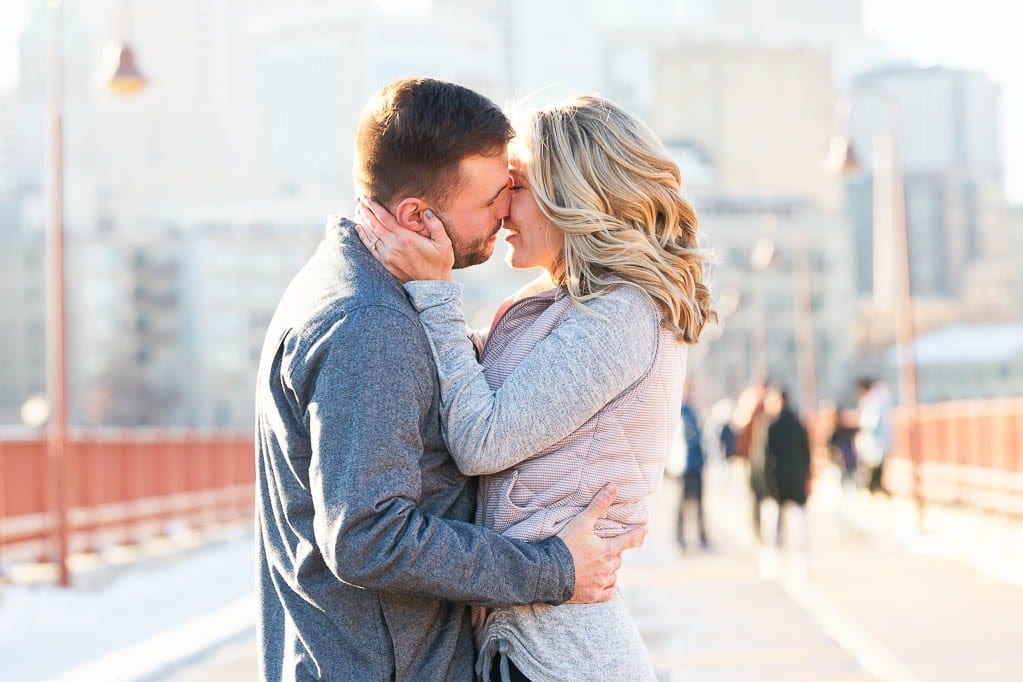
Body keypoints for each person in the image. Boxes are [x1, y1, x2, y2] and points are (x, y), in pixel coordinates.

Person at [254, 78, 645, 682]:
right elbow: (369, 535)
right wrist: (551, 568)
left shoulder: (349, 286)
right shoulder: (368, 325)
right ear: (417, 215)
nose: (507, 210)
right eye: (493, 196)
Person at [357, 95, 713, 681]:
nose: (500, 210)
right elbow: (466, 382)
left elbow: (480, 438)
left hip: (561, 656)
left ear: (569, 196)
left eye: (515, 186)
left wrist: (435, 292)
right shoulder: (559, 308)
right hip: (528, 642)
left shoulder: (621, 318)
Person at [763, 386, 811, 548]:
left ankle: (779, 545)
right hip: (793, 476)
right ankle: (794, 545)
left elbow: (764, 456)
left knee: (783, 514)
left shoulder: (772, 425)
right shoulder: (796, 423)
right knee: (792, 514)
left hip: (781, 478)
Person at [733, 381, 770, 543]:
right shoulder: (751, 404)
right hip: (751, 457)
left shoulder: (766, 406)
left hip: (763, 457)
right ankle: (756, 529)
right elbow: (741, 428)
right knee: (755, 495)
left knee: (763, 494)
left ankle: (763, 530)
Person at [677, 383, 710, 550]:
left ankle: (701, 536)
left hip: (696, 464)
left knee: (699, 504)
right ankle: (681, 537)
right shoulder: (680, 411)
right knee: (683, 505)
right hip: (685, 466)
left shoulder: (692, 411)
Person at [855, 377, 893, 495]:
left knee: (873, 473)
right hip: (878, 444)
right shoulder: (879, 399)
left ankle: (874, 494)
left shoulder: (872, 403)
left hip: (874, 444)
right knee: (875, 472)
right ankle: (875, 493)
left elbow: (869, 425)